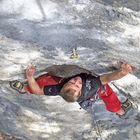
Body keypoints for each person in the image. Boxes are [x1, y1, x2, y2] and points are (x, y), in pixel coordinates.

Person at [10, 63, 134, 116]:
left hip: (79, 89)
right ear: (80, 90)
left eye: (72, 82)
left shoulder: (59, 88)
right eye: (77, 84)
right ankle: (119, 110)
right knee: (107, 93)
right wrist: (123, 72)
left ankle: (119, 111)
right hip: (93, 90)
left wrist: (30, 76)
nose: (77, 81)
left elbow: (38, 91)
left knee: (44, 80)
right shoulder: (92, 85)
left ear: (63, 86)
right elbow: (109, 77)